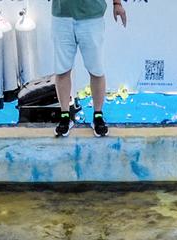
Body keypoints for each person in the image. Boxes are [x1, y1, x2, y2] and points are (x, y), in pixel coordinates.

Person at [52, 0, 127, 140]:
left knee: (96, 70)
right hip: (61, 17)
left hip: (92, 18)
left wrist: (117, 3)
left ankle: (98, 115)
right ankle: (64, 116)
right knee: (62, 70)